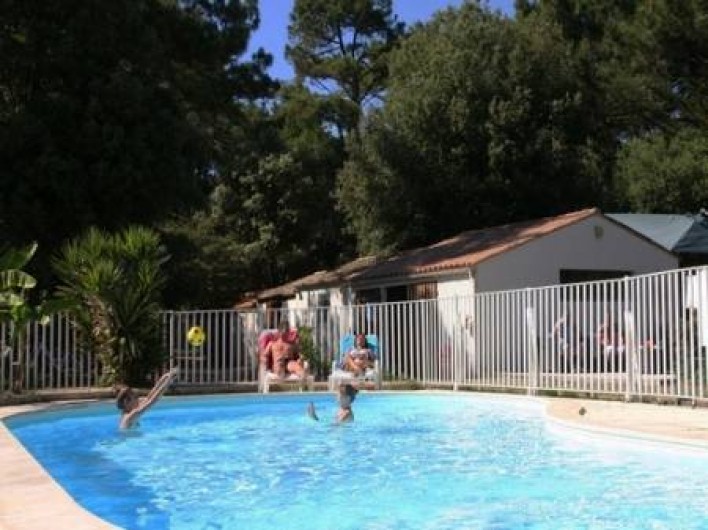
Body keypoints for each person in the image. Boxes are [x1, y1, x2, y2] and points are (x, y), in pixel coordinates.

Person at [115, 367, 179, 430]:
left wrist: (164, 378)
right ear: (126, 402)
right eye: (135, 397)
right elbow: (152, 401)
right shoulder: (130, 416)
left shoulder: (126, 413)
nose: (138, 399)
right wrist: (168, 381)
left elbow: (148, 398)